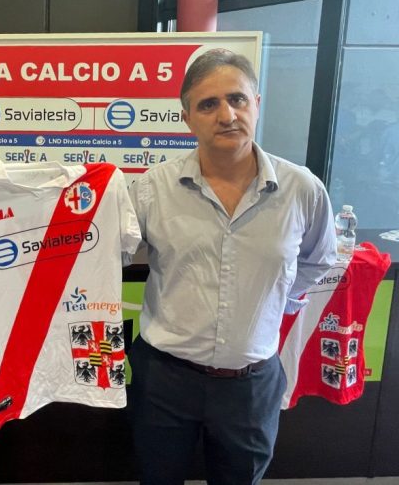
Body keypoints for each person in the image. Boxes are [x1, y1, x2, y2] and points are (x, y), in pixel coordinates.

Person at [127, 48, 337, 485]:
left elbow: (318, 259)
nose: (227, 115)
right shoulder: (150, 189)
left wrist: (273, 300)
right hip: (164, 379)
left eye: (237, 99)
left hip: (251, 385)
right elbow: (111, 252)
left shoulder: (302, 189)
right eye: (208, 104)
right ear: (187, 118)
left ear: (256, 104)